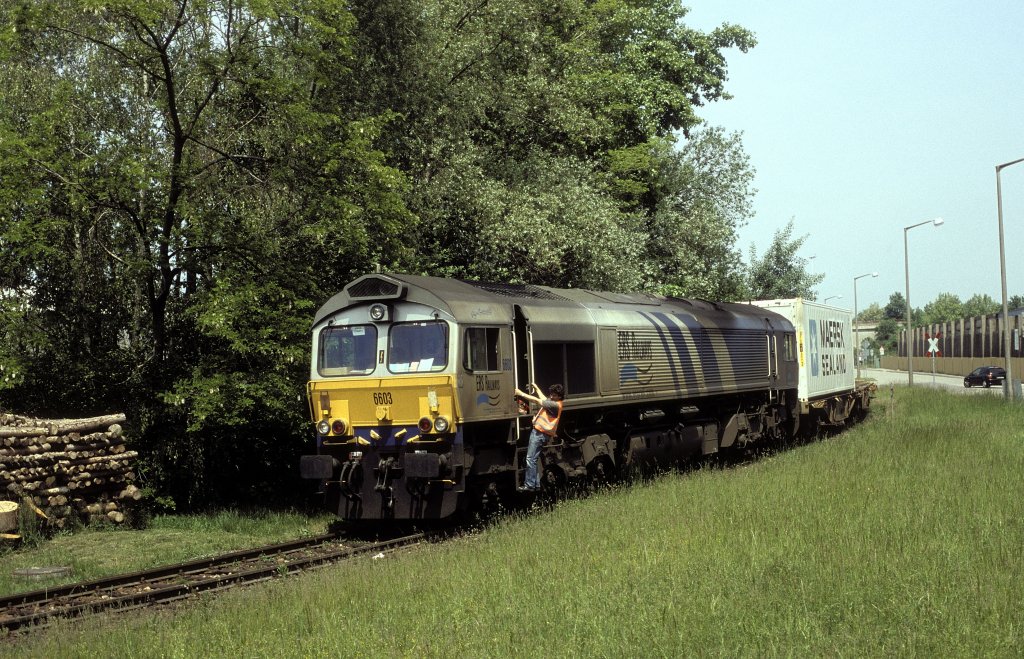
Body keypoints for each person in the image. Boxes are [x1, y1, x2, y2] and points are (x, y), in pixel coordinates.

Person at [514, 382, 564, 492]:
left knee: (530, 459)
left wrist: (520, 393)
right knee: (534, 459)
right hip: (541, 434)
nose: (551, 396)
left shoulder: (555, 405)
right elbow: (543, 398)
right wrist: (536, 388)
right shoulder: (554, 402)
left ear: (559, 396)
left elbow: (537, 401)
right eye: (551, 394)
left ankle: (530, 485)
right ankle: (536, 484)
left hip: (539, 434)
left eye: (554, 395)